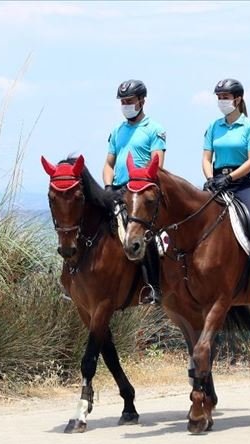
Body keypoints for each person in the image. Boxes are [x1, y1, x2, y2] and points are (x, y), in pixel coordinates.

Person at [201, 78, 250, 286]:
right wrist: (211, 178)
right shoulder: (213, 127)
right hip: (217, 181)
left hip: (243, 182)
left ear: (237, 99)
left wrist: (230, 177)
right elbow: (206, 158)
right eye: (219, 98)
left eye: (225, 97)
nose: (221, 101)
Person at [103, 79, 167, 304]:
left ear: (142, 101)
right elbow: (109, 164)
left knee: (145, 235)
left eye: (129, 101)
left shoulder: (154, 130)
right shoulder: (117, 131)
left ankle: (153, 287)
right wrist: (109, 186)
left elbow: (156, 164)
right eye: (122, 102)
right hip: (119, 189)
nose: (125, 105)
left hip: (141, 190)